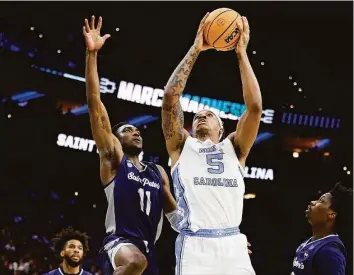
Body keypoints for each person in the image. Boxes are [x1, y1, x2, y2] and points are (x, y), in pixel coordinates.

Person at [161, 13, 261, 275]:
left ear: (222, 128)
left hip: (234, 244)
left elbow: (255, 107)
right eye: (196, 117)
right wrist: (196, 49)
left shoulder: (235, 148)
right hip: (196, 245)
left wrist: (241, 53)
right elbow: (171, 97)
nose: (201, 116)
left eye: (209, 116)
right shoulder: (181, 146)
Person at [82, 16, 177, 275]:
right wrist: (92, 55)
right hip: (119, 245)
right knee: (135, 262)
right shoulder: (114, 158)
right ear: (116, 138)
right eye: (127, 130)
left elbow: (176, 216)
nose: (135, 132)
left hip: (149, 251)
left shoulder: (157, 172)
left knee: (141, 262)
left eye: (136, 130)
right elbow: (94, 103)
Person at [291, 182, 352, 275]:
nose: (312, 202)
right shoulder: (311, 241)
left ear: (331, 215)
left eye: (321, 201)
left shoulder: (330, 251)